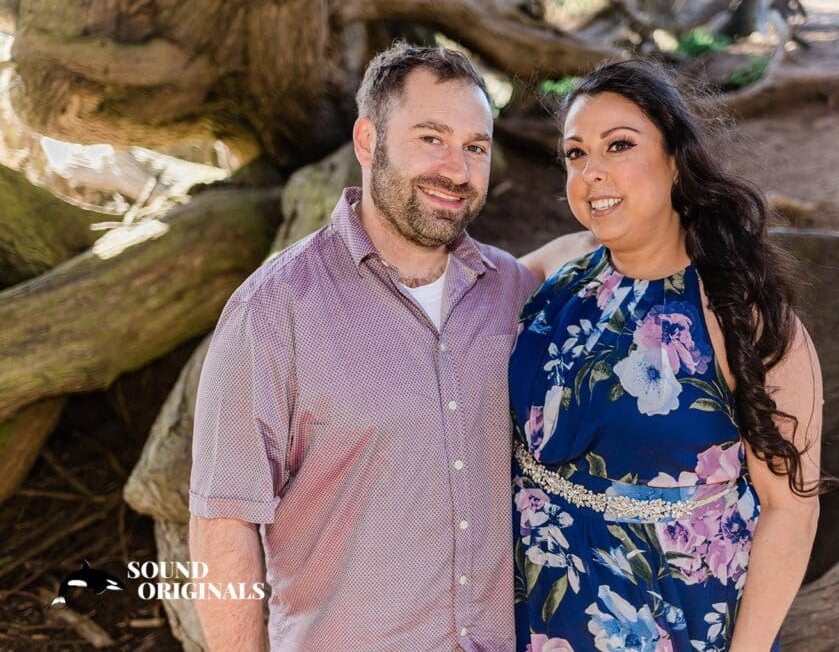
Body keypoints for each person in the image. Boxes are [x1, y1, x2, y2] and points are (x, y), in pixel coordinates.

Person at [188, 43, 585, 651]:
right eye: (431, 138)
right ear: (368, 140)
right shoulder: (274, 311)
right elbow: (223, 521)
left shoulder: (508, 291)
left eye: (475, 147)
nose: (456, 170)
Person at [510, 60, 823, 652]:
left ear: (676, 160)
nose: (591, 173)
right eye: (576, 155)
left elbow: (790, 509)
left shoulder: (739, 312)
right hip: (537, 604)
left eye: (618, 146)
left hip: (674, 620)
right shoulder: (560, 268)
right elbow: (449, 322)